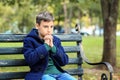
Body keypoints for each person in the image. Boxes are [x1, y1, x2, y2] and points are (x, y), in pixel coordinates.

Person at [23, 11, 76, 80]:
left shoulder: (56, 40)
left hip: (60, 74)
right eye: (45, 27)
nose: (49, 30)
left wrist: (53, 48)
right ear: (37, 26)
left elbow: (64, 61)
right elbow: (30, 60)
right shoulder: (29, 40)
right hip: (41, 74)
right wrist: (45, 46)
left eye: (51, 27)